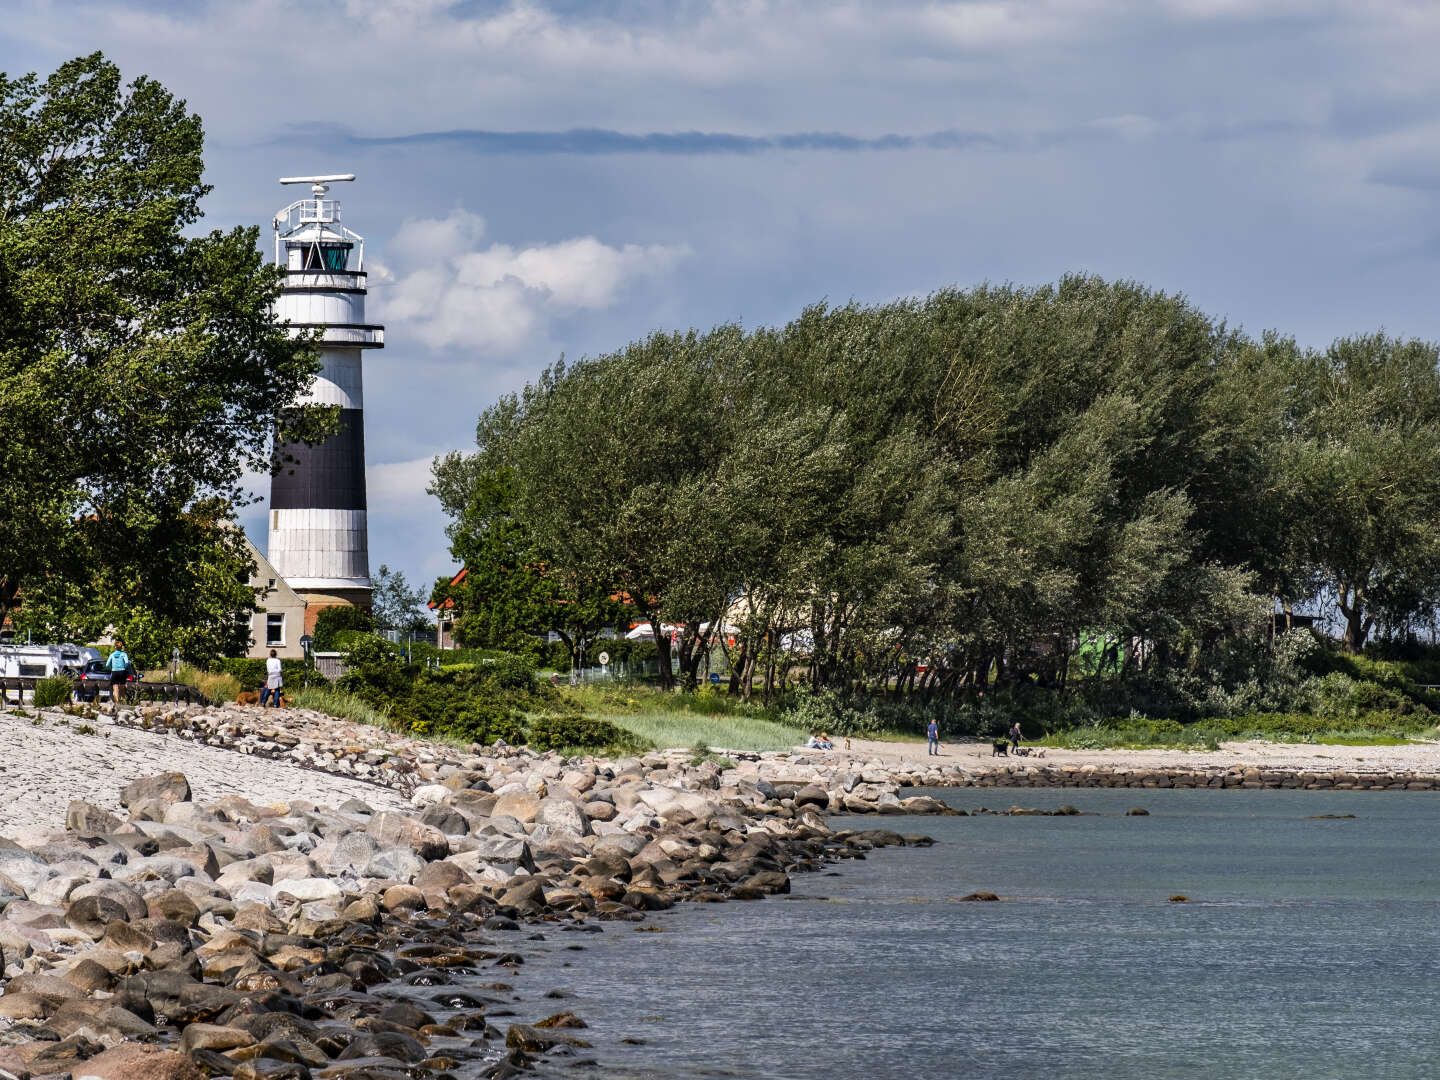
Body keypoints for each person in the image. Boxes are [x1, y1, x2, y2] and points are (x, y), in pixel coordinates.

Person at [107, 639, 131, 710]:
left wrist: (112, 667)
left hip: (114, 671)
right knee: (122, 687)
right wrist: (124, 667)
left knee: (115, 687)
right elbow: (127, 662)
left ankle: (117, 702)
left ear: (115, 647)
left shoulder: (112, 655)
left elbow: (107, 664)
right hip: (122, 671)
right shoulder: (124, 654)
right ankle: (123, 701)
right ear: (121, 647)